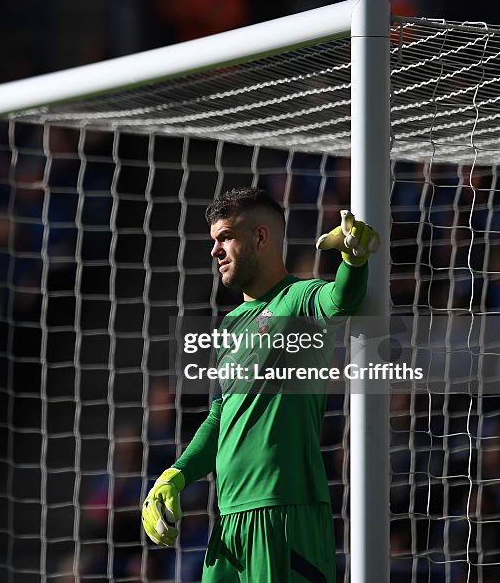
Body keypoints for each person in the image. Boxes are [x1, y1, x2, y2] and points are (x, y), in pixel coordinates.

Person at [141, 187, 380, 582]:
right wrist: (175, 474)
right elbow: (220, 415)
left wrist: (353, 260)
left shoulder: (296, 299)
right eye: (213, 241)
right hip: (230, 520)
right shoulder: (229, 324)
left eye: (226, 238)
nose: (214, 251)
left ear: (261, 237)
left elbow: (340, 299)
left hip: (285, 514)